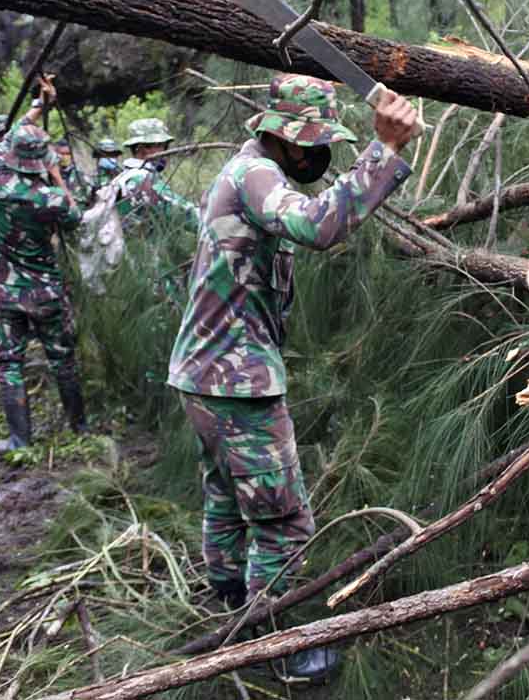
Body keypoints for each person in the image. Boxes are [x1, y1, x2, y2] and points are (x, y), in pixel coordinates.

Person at [165, 74, 418, 682]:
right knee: (282, 521)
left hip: (207, 375)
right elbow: (317, 227)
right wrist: (383, 150)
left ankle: (228, 606)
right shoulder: (256, 176)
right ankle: (283, 648)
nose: (321, 157)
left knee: (227, 496)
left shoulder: (250, 171)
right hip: (234, 382)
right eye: (317, 145)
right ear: (287, 138)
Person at [0, 105, 86, 453]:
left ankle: (19, 440)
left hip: (3, 291)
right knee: (62, 359)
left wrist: (33, 110)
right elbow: (76, 218)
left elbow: (4, 143)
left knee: (9, 363)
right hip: (45, 292)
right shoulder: (51, 199)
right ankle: (80, 429)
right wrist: (56, 175)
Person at [115, 118, 199, 232]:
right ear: (141, 148)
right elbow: (185, 215)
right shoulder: (142, 180)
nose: (165, 152)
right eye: (160, 145)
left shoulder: (125, 175)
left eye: (164, 146)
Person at [53, 138, 92, 207]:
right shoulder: (51, 176)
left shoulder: (80, 174)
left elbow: (91, 196)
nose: (65, 157)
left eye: (68, 154)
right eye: (62, 153)